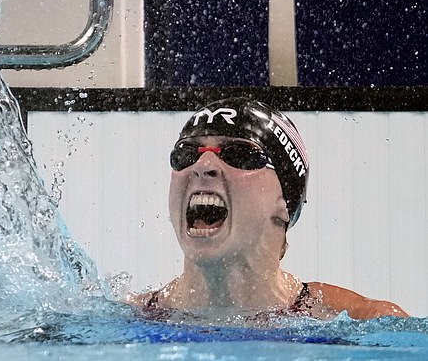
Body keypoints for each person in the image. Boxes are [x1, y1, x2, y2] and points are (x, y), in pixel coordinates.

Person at [128, 97, 408, 320]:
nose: (204, 166)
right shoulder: (130, 319)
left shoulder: (361, 322)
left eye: (239, 154)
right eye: (186, 154)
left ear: (285, 202)